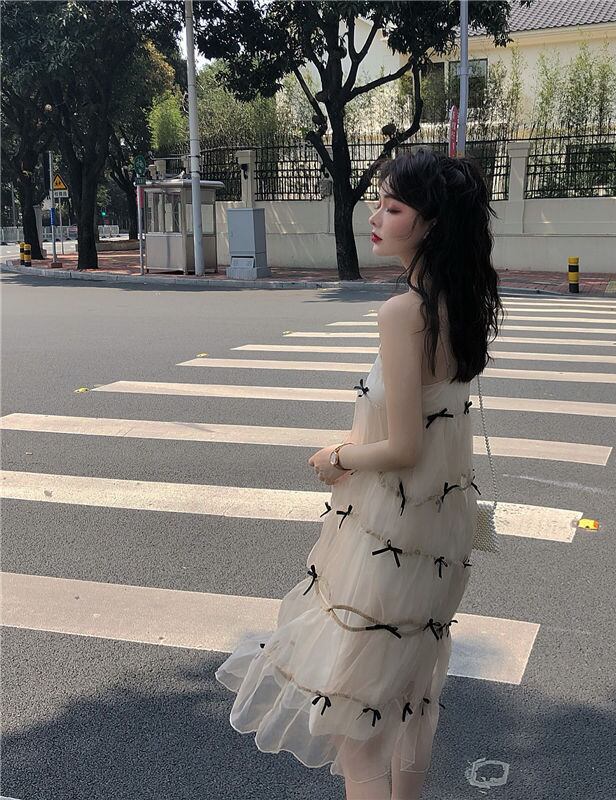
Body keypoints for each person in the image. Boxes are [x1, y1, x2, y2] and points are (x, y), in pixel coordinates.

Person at [215, 147, 503, 800]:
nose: (374, 217)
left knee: (358, 732)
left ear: (430, 223)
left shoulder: (405, 313)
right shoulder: (460, 304)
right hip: (432, 539)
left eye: (393, 207)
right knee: (408, 705)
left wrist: (337, 458)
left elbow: (403, 445)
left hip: (388, 541)